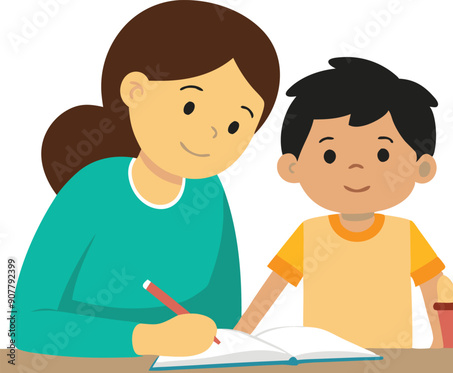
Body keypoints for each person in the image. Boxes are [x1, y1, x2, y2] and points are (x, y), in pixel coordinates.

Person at [15, 0, 279, 357]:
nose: (215, 133)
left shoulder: (208, 193)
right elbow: (26, 326)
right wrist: (147, 339)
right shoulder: (91, 189)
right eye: (190, 107)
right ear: (136, 92)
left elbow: (224, 316)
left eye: (236, 125)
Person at [235, 57, 445, 349]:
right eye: (330, 155)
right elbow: (271, 292)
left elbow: (434, 288)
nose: (356, 168)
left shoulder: (405, 236)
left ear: (422, 168)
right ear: (292, 167)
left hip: (393, 358)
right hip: (322, 357)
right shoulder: (309, 235)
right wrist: (238, 337)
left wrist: (442, 341)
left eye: (382, 154)